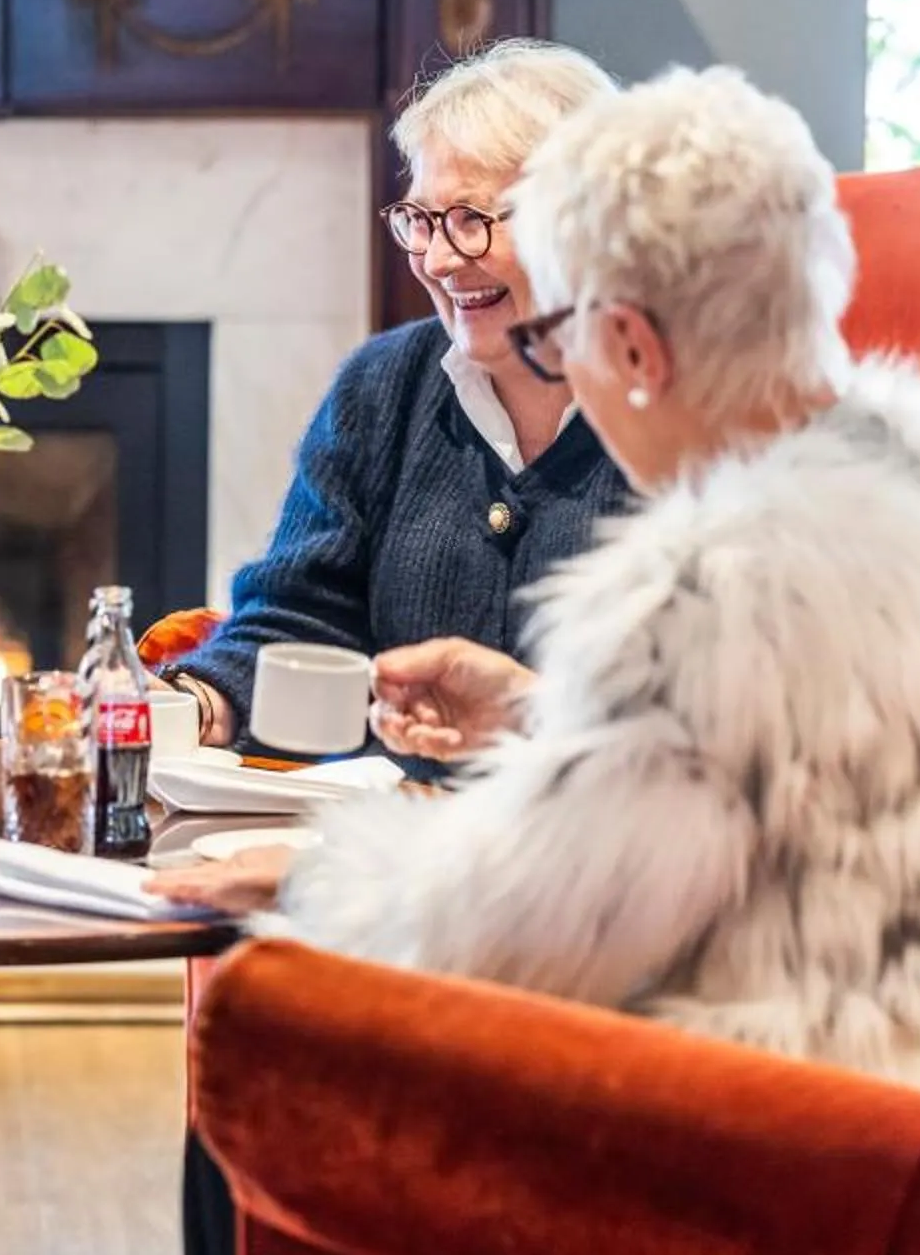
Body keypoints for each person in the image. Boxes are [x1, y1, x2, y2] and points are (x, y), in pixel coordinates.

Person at [151, 67, 920, 1255]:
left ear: (629, 343)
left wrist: (302, 871)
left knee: (273, 1017)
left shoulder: (710, 580)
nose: (553, 360)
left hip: (789, 1111)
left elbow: (515, 927)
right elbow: (743, 791)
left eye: (566, 331)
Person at [157, 41, 632, 761]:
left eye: (472, 219)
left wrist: (536, 719)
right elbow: (300, 616)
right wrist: (194, 705)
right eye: (422, 220)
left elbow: (725, 724)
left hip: (598, 849)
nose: (438, 262)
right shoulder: (385, 384)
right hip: (380, 834)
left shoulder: (683, 413)